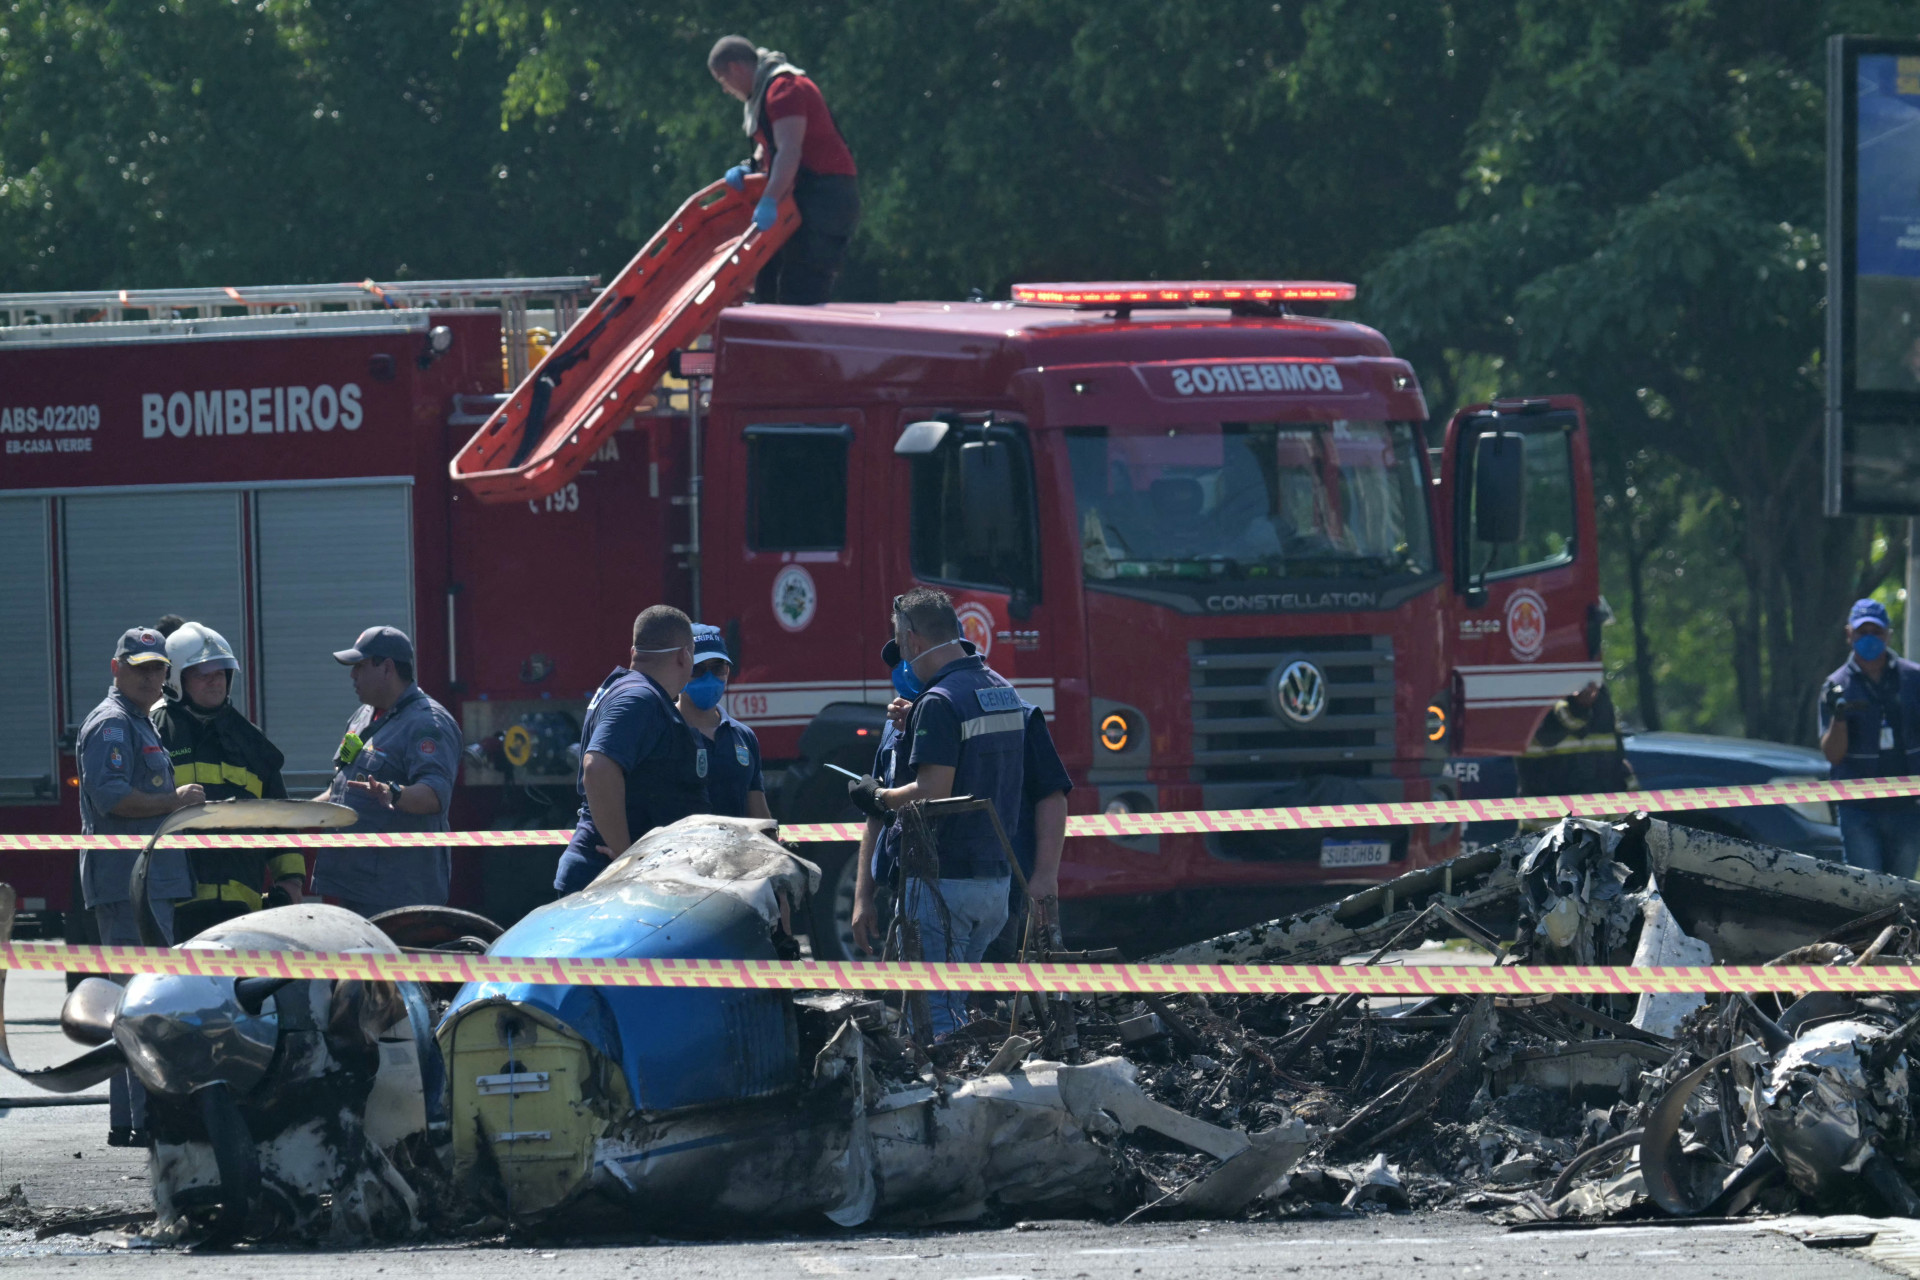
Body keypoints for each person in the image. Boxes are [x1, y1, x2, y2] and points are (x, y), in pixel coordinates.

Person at [847, 588, 1026, 1038]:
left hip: (945, 882)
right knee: (956, 1004)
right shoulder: (1000, 689)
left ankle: (949, 1101)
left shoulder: (939, 701)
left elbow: (932, 791)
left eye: (898, 640)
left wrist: (877, 796)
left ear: (911, 639)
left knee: (932, 1018)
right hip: (996, 882)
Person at [76, 626, 200, 1147]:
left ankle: (140, 1118)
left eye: (159, 668)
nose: (151, 676)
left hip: (144, 883)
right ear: (116, 668)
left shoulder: (138, 723)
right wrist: (175, 802)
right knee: (136, 1005)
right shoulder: (112, 726)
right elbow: (113, 799)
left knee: (145, 1003)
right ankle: (136, 1122)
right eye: (141, 667)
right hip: (129, 886)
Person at [150, 619, 306, 939]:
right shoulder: (153, 734)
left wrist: (290, 881)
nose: (214, 682)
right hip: (172, 908)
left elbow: (279, 817)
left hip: (241, 909)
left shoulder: (251, 742)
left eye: (219, 673)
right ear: (176, 680)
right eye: (202, 674)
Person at [553, 606, 709, 897]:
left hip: (613, 881)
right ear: (684, 655)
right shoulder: (639, 698)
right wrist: (626, 858)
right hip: (608, 884)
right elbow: (596, 768)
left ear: (634, 651)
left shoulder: (635, 692)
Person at [314, 627, 460, 917]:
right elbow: (341, 786)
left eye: (359, 666)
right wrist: (290, 813)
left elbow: (434, 794)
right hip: (349, 886)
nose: (352, 676)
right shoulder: (362, 717)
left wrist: (392, 792)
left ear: (388, 668)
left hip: (396, 896)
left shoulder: (427, 723)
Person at [708, 34, 860, 305]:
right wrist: (750, 169)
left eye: (723, 81)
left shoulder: (784, 89)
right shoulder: (764, 94)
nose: (725, 89)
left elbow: (790, 150)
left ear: (735, 68)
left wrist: (769, 200)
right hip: (802, 198)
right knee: (766, 284)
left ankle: (801, 347)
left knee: (799, 293)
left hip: (825, 200)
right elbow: (771, 148)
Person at [1819, 598, 1920, 877]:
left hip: (1907, 807)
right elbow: (1833, 755)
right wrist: (1839, 717)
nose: (1870, 639)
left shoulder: (1914, 680)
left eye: (1876, 632)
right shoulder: (1836, 685)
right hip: (1858, 811)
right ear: (1849, 634)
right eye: (1862, 632)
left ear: (1888, 635)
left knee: (1903, 892)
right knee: (1866, 891)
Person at [678, 624, 771, 820]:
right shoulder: (661, 730)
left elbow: (759, 816)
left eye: (718, 668)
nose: (709, 677)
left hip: (735, 850)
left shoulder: (743, 736)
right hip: (683, 850)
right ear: (680, 669)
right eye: (698, 669)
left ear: (727, 671)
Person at [1515, 680, 1635, 799]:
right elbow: (1552, 732)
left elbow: (1616, 755)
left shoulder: (1598, 692)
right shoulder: (1535, 689)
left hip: (1603, 807)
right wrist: (1579, 705)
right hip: (1556, 809)